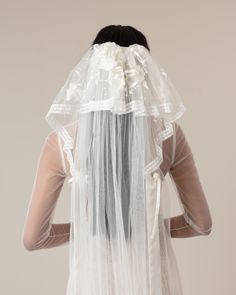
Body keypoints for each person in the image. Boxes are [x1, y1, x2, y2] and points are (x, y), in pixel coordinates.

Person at [22, 25, 212, 295]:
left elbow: (33, 239)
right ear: (145, 71)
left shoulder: (61, 142)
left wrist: (91, 230)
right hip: (151, 281)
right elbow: (201, 224)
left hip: (93, 283)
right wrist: (146, 228)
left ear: (93, 71)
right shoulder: (168, 136)